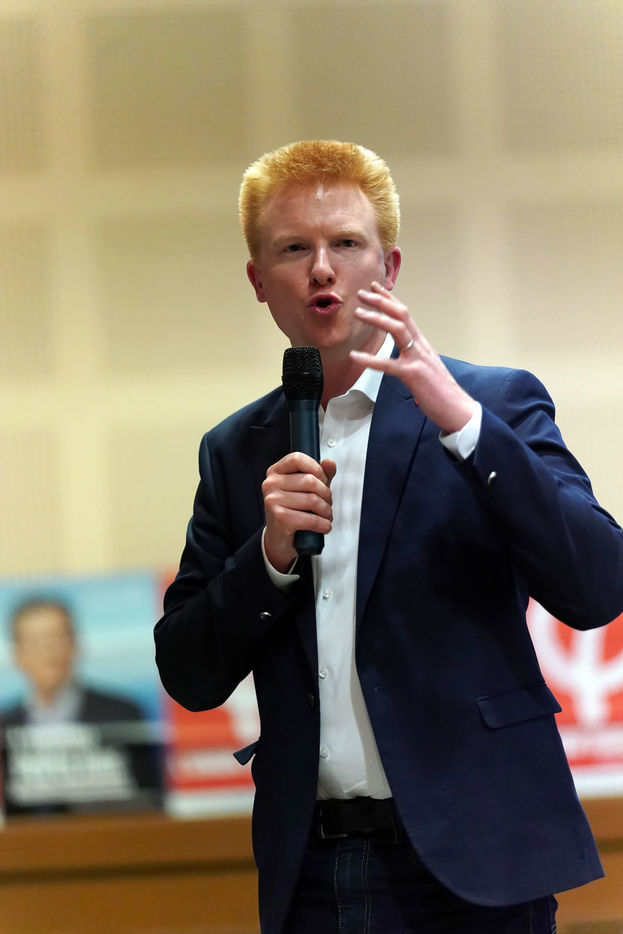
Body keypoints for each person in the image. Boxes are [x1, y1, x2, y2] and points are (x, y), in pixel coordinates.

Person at [154, 140, 623, 934]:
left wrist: (467, 430)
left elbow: (597, 586)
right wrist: (267, 559)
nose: (322, 269)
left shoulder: (489, 403)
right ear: (258, 280)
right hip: (313, 871)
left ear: (389, 267)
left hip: (476, 860)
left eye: (345, 243)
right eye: (293, 249)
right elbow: (188, 672)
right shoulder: (235, 451)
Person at [2, 596, 162, 814]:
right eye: (35, 643)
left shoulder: (122, 713)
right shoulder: (4, 726)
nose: (47, 652)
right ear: (16, 654)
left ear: (75, 644)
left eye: (56, 638)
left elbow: (149, 801)